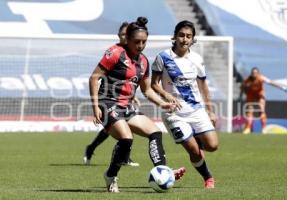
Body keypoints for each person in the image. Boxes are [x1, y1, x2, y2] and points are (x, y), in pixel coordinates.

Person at [89, 17, 186, 193]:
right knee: (126, 139)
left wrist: (163, 104)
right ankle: (111, 176)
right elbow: (94, 77)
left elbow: (147, 91)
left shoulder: (143, 62)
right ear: (127, 39)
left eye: (144, 42)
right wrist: (95, 106)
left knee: (155, 132)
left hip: (126, 107)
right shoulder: (115, 52)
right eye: (137, 42)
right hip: (107, 103)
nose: (141, 45)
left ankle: (163, 171)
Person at [151, 20, 218, 189]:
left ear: (193, 39)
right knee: (194, 151)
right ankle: (208, 178)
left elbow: (203, 87)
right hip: (174, 113)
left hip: (196, 110)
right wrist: (166, 95)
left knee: (212, 146)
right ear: (174, 37)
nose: (184, 39)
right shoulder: (163, 57)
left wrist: (210, 111)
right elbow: (153, 84)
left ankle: (195, 138)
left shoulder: (197, 59)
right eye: (181, 35)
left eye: (189, 36)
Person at [83, 22, 139, 167]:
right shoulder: (114, 52)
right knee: (120, 129)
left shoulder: (132, 53)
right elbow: (101, 77)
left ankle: (96, 149)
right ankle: (119, 157)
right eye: (122, 34)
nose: (125, 37)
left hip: (121, 98)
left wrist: (132, 96)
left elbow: (129, 79)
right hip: (107, 97)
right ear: (119, 36)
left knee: (121, 128)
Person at [240, 67, 287, 134]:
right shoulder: (247, 80)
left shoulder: (261, 78)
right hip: (251, 96)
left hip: (260, 95)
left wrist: (282, 87)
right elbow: (242, 87)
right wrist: (241, 95)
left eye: (255, 73)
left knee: (261, 110)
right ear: (251, 73)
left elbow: (271, 82)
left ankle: (264, 128)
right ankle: (248, 128)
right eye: (253, 73)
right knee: (249, 112)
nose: (254, 74)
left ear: (258, 73)